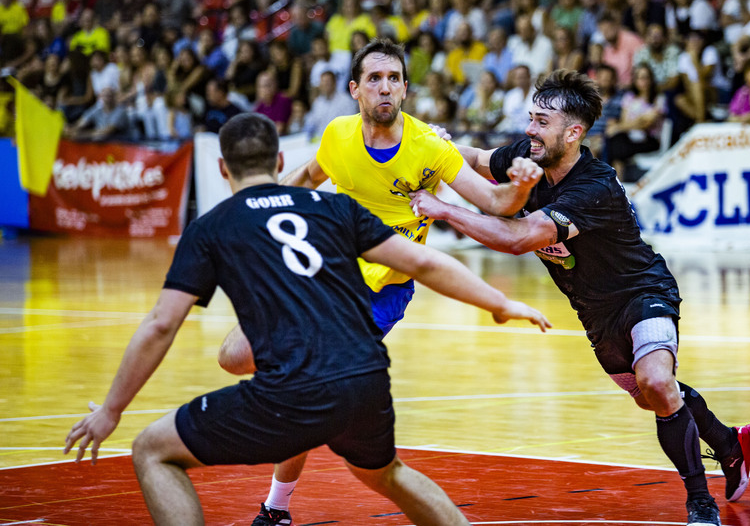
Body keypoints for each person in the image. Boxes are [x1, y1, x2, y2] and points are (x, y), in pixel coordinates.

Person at [63, 113, 550, 526]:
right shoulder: (335, 206)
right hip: (364, 376)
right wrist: (500, 304)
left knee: (152, 449)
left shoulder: (214, 226)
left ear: (220, 167)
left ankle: (277, 502)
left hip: (296, 385)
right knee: (385, 473)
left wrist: (110, 410)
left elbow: (160, 325)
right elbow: (424, 263)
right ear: (279, 161)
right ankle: (279, 503)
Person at [409, 70, 750, 526]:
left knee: (656, 383)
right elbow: (476, 158)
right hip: (594, 312)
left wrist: (443, 209)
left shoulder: (593, 187)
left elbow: (519, 239)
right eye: (530, 119)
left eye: (541, 121)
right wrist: (434, 143)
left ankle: (700, 504)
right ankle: (732, 445)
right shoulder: (528, 157)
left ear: (573, 132)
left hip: (642, 291)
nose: (529, 130)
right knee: (653, 397)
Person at [216, 39, 545, 525]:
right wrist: (257, 209)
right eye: (374, 79)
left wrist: (520, 187)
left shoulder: (430, 147)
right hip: (323, 275)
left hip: (381, 290)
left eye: (394, 78)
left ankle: (275, 510)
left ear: (406, 89)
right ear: (355, 90)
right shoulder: (338, 136)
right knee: (233, 356)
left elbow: (496, 205)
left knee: (303, 384)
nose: (385, 87)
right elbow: (306, 177)